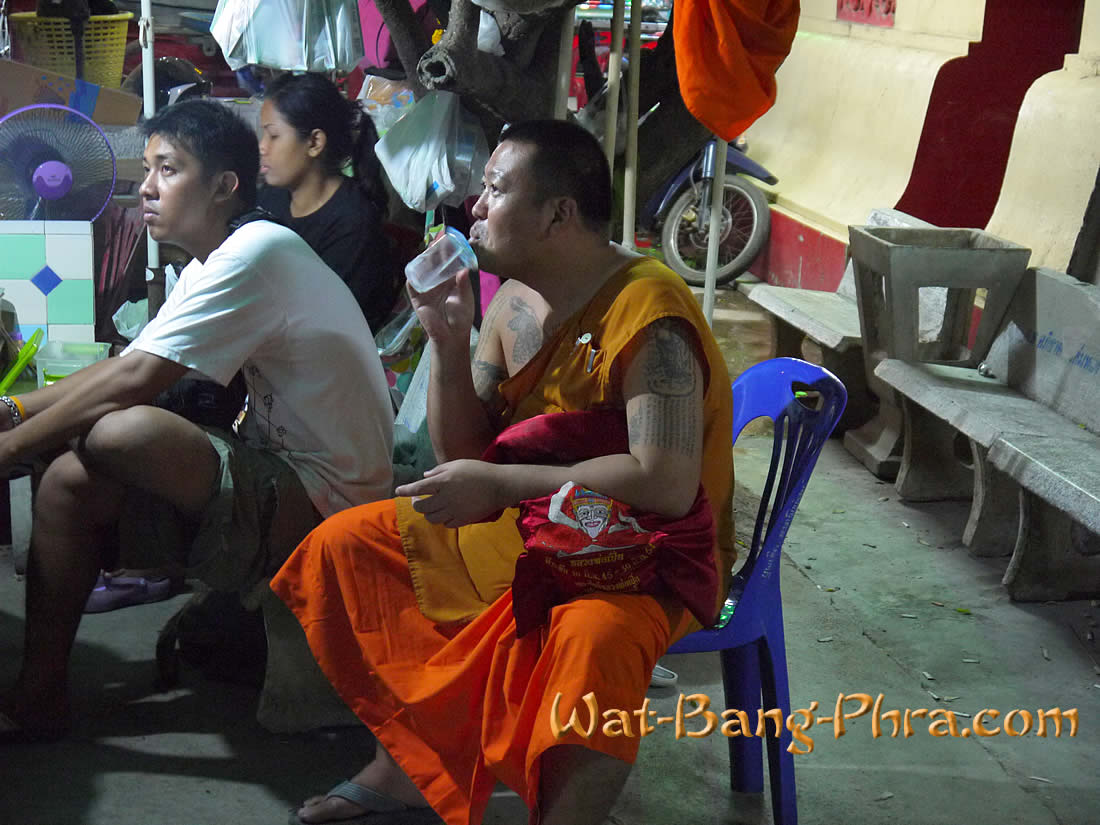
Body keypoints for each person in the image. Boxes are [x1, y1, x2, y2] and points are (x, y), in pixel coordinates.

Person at [271, 120, 735, 825]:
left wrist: (504, 486)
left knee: (593, 640)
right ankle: (411, 766)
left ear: (557, 214)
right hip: (534, 523)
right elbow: (463, 450)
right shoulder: (514, 300)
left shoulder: (649, 311)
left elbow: (665, 484)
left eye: (495, 189)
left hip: (641, 551)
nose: (476, 206)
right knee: (347, 545)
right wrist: (446, 344)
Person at [0, 99, 394, 741]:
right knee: (68, 483)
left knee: (119, 430)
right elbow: (124, 364)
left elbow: (134, 381)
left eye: (168, 169)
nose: (146, 188)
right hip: (276, 472)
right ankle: (37, 694)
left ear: (223, 186)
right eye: (147, 170)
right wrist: (12, 412)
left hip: (329, 497)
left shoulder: (257, 253)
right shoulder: (213, 260)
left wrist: (11, 445)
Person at [258, 72, 398, 332]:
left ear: (314, 142)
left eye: (273, 136)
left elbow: (325, 323)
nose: (262, 147)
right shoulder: (270, 198)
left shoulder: (354, 224)